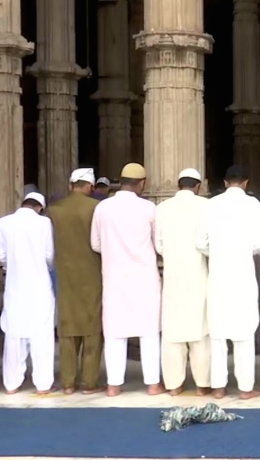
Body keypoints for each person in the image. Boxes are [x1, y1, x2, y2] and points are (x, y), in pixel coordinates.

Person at [91, 163, 163, 396]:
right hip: (144, 277)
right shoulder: (149, 208)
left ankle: (114, 385)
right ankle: (152, 383)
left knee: (114, 331)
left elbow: (96, 244)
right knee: (149, 331)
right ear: (141, 183)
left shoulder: (103, 207)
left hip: (115, 278)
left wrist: (115, 251)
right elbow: (157, 243)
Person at [196, 165, 260, 399]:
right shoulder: (253, 205)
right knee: (244, 334)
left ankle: (218, 387)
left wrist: (216, 254)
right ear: (246, 182)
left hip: (218, 276)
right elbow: (258, 244)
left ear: (224, 183)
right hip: (243, 276)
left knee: (217, 334)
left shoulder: (211, 204)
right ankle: (245, 388)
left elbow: (201, 243)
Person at [154, 168, 211, 396]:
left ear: (179, 185)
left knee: (173, 332)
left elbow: (159, 245)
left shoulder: (162, 208)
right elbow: (207, 243)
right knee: (201, 330)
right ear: (198, 186)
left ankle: (174, 385)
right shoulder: (206, 206)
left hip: (173, 274)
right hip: (198, 272)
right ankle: (202, 385)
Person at [47, 168, 103, 394]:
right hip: (92, 274)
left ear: (71, 185)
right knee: (91, 328)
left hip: (64, 274)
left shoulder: (53, 210)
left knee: (68, 327)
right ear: (90, 187)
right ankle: (89, 383)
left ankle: (68, 383)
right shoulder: (97, 208)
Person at [0, 192, 55, 395]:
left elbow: (1, 256)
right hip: (39, 286)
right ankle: (43, 385)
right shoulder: (44, 223)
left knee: (14, 335)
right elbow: (49, 256)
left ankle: (12, 384)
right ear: (40, 207)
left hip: (14, 286)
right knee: (42, 336)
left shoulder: (3, 223)